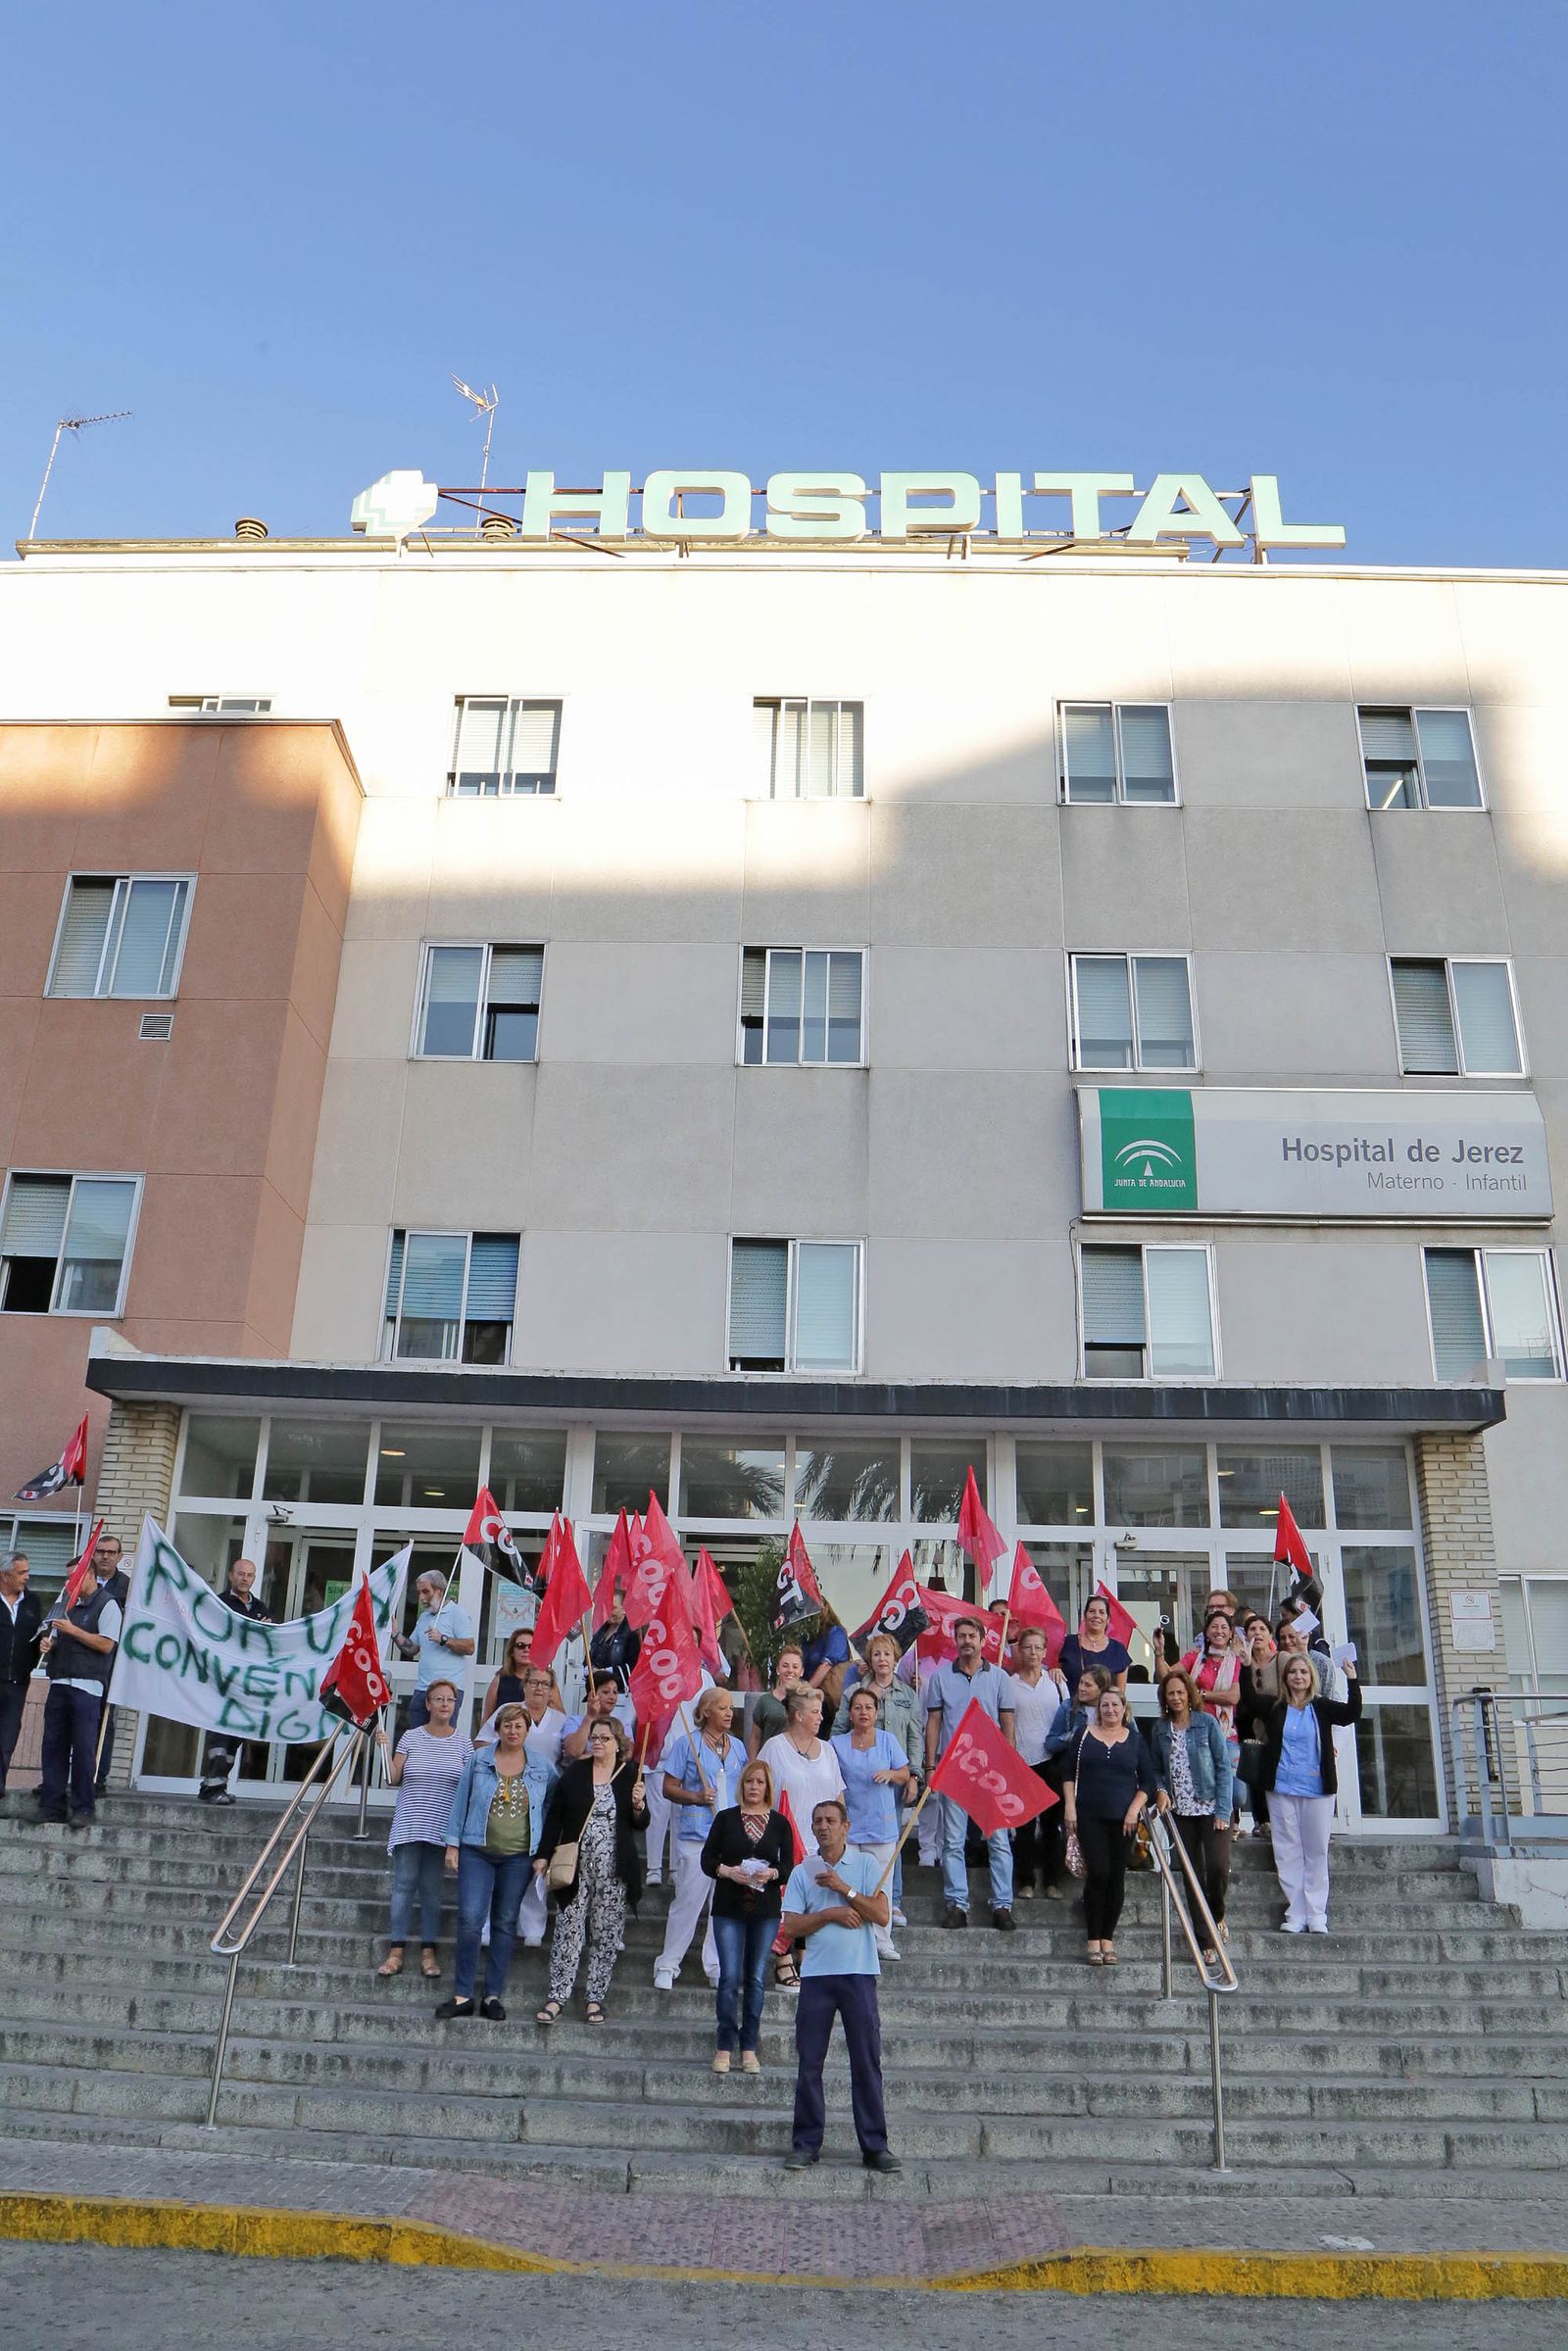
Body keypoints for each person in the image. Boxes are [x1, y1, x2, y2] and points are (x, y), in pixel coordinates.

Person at [780, 1797, 900, 2174]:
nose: (823, 1826)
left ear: (846, 1826)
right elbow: (792, 1926)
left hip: (859, 1974)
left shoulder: (865, 1865)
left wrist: (843, 1889)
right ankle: (806, 2143)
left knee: (866, 2062)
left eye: (831, 1820)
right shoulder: (803, 1871)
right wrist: (831, 1912)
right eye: (817, 1820)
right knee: (809, 2063)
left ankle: (875, 2146)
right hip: (816, 1976)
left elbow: (880, 1915)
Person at [535, 1717, 649, 2025]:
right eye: (594, 1738)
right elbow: (556, 1817)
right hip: (575, 1869)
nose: (597, 1743)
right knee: (568, 1931)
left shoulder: (629, 1775)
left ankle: (594, 1997)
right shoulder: (575, 1774)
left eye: (604, 1738)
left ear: (618, 1743)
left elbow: (640, 1823)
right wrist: (544, 1855)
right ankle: (558, 1995)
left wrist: (639, 1805)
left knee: (606, 1934)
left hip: (614, 1870)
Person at [437, 1701, 531, 2019]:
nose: (512, 1731)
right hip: (476, 1851)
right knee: (470, 1921)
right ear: (498, 1729)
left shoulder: (541, 1768)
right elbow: (460, 1802)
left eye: (519, 1726)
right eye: (507, 1725)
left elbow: (550, 1810)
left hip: (518, 1856)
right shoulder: (478, 1760)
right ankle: (463, 1995)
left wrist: (544, 1853)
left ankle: (492, 1995)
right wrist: (453, 1845)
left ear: (527, 1731)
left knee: (505, 1923)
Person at [701, 1756, 795, 2073]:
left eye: (760, 1782)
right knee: (729, 1977)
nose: (754, 1787)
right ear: (741, 1785)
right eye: (749, 1781)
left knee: (755, 1977)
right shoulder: (726, 1819)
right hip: (728, 1905)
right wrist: (728, 1871)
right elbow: (707, 1860)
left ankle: (749, 2045)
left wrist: (771, 1875)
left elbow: (788, 1867)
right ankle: (724, 2043)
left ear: (768, 1786)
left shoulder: (780, 1823)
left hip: (765, 1909)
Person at [923, 1614, 1016, 1931]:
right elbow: (933, 1723)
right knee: (952, 1841)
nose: (966, 1641)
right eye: (961, 1635)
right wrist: (930, 1765)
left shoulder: (1000, 1677)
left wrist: (1010, 1765)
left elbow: (1008, 1724)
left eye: (971, 1636)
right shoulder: (940, 1677)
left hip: (991, 1770)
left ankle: (1002, 1905)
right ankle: (957, 1905)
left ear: (982, 1639)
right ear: (956, 1639)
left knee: (999, 1840)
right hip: (954, 1767)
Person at [1259, 1651, 1362, 1935]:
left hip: (1317, 1788)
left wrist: (1351, 1678)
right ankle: (1296, 1912)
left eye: (1303, 1672)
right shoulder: (1277, 1708)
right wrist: (1246, 1665)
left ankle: (1317, 1913)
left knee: (1315, 1850)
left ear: (1311, 1677)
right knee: (1287, 1850)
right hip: (1282, 1787)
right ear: (1286, 1677)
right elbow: (1248, 1701)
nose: (1298, 1677)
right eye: (1293, 1672)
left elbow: (1352, 1713)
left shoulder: (1322, 1706)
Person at [379, 1676, 471, 1980]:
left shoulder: (463, 1742)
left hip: (441, 1826)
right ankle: (396, 1951)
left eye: (450, 1699)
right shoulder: (410, 1737)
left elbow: (470, 1786)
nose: (445, 1704)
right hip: (410, 1821)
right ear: (428, 1704)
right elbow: (393, 1777)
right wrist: (385, 1747)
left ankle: (429, 1952)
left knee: (432, 1891)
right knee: (404, 1884)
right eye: (439, 1699)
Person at [655, 1688, 746, 1990]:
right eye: (722, 1708)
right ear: (706, 1711)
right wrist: (694, 1796)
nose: (730, 1713)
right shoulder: (687, 1745)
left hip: (729, 1839)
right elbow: (669, 1787)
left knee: (722, 1906)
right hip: (696, 1837)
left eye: (731, 1707)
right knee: (687, 1903)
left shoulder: (739, 1748)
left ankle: (716, 1965)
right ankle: (668, 1963)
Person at [1059, 1686, 1155, 1965]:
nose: (1110, 1710)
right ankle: (1093, 1937)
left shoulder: (1136, 1740)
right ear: (1098, 1709)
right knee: (1098, 1872)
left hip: (1123, 1819)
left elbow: (1148, 1781)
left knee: (1116, 1877)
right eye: (1105, 1705)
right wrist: (1069, 1807)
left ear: (1124, 1708)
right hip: (1089, 1815)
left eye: (1115, 1705)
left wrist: (1134, 1810)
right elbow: (1067, 1773)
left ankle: (1107, 1938)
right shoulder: (1084, 1735)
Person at [759, 1685, 846, 1988]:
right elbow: (760, 1791)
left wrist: (840, 1836)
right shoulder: (774, 1747)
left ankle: (806, 1958)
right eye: (814, 1712)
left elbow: (837, 1796)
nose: (820, 1717)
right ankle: (782, 1961)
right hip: (785, 1840)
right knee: (789, 1903)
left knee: (817, 1904)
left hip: (819, 1843)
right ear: (797, 1715)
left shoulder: (828, 1750)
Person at [1150, 1669, 1235, 1960]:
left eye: (1180, 1692)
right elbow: (1156, 1769)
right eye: (1170, 1693)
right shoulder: (1160, 1729)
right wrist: (1160, 1789)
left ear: (1190, 1695)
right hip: (1180, 1812)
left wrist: (1224, 1809)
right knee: (1191, 1875)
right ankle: (1206, 1940)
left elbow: (1224, 1768)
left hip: (1212, 1808)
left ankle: (1217, 1915)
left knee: (1218, 1868)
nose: (1175, 1698)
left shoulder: (1206, 1723)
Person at [34, 1548, 122, 1829]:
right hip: (60, 1682)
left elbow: (106, 1644)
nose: (68, 1584)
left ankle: (83, 1806)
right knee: (53, 1747)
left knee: (83, 1749)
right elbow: (57, 1637)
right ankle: (52, 1805)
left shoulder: (107, 1605)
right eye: (67, 1578)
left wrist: (72, 1630)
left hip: (88, 1686)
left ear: (89, 1576)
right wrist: (50, 1644)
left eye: (73, 1578)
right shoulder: (67, 1605)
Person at [829, 1686, 911, 1957]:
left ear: (876, 1713)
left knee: (880, 1886)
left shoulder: (888, 1740)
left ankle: (881, 1941)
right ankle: (849, 1940)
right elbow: (829, 1778)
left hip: (881, 1825)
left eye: (869, 1707)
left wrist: (891, 1773)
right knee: (848, 1883)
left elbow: (905, 1773)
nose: (863, 1712)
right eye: (858, 1707)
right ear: (849, 1713)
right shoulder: (837, 1744)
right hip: (849, 1827)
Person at [847, 1632, 921, 1924]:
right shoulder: (855, 1691)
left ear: (896, 1658)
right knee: (856, 1841)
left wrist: (913, 1775)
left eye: (887, 1654)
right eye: (876, 1654)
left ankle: (893, 1901)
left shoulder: (908, 1694)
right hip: (859, 1780)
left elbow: (914, 1737)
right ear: (869, 1659)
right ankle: (860, 1897)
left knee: (892, 1842)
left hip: (895, 1778)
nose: (882, 1660)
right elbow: (841, 1729)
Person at [198, 1555, 274, 1803]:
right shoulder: (218, 1604)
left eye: (249, 1575)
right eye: (240, 1573)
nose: (244, 1578)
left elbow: (269, 1642)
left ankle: (216, 1786)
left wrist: (267, 1629)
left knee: (235, 1737)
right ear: (231, 1575)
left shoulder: (261, 1607)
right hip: (222, 1680)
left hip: (247, 1683)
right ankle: (212, 1788)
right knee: (220, 1736)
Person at [1004, 1625, 1066, 1900]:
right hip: (1021, 1761)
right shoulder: (1008, 1683)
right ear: (1019, 1650)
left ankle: (1052, 1881)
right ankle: (1026, 1881)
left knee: (1053, 1825)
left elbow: (1068, 1717)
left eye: (1038, 1647)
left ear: (1045, 1651)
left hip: (1052, 1761)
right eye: (1027, 1647)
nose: (1032, 1652)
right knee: (1025, 1827)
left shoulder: (1056, 1682)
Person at [395, 1571, 476, 1732]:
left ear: (440, 1590)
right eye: (419, 1592)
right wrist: (395, 1633)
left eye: (426, 1592)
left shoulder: (457, 1613)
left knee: (442, 1739)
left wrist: (443, 1639)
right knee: (417, 1739)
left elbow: (470, 1647)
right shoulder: (424, 1617)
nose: (421, 1597)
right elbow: (412, 1648)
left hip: (447, 1692)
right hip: (422, 1690)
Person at [0, 1553, 43, 1807]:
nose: (26, 1577)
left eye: (27, 1571)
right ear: (5, 1576)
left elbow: (36, 1636)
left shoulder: (32, 1602)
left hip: (17, 1681)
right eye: (21, 1573)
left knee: (6, 1738)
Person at [89, 1531, 127, 1799]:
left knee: (105, 1722)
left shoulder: (128, 1587)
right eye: (101, 1551)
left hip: (111, 1663)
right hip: (80, 1661)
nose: (105, 1556)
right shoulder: (83, 1581)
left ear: (119, 1557)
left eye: (110, 1552)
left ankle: (98, 1777)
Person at [1180, 1608, 1244, 1746]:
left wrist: (1199, 1693)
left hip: (1227, 1735)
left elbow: (1233, 1697)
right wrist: (1160, 1654)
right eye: (1214, 1627)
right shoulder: (1195, 1657)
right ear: (1207, 1633)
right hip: (1197, 1730)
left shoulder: (1236, 1661)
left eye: (1224, 1627)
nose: (1219, 1631)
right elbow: (1167, 1676)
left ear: (1231, 1633)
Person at [1057, 1593, 1130, 1693]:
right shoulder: (1067, 1643)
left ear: (1108, 1619)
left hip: (1103, 1708)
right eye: (1092, 1611)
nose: (1096, 1615)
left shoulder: (1118, 1650)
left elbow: (1120, 1694)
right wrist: (1053, 1670)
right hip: (1071, 1707)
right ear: (1085, 1615)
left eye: (1102, 1612)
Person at [747, 1642, 805, 1759]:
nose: (790, 1670)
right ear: (778, 1669)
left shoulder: (807, 1701)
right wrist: (753, 1764)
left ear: (801, 1671)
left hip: (798, 1762)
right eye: (785, 1666)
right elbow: (755, 1737)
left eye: (795, 1667)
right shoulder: (765, 1702)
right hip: (769, 1762)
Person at [561, 1669, 636, 1758]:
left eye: (615, 1692)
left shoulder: (623, 1725)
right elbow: (573, 1751)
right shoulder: (575, 1722)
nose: (612, 1697)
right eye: (606, 1692)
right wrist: (590, 1717)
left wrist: (584, 1757)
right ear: (591, 1695)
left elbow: (627, 1756)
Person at [801, 1613, 852, 1735]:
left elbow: (826, 1665)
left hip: (827, 1698)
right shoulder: (807, 1638)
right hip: (809, 1698)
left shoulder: (835, 1632)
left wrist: (804, 1691)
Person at [588, 1583, 641, 1689]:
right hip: (597, 1690)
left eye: (613, 1607)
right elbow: (588, 1660)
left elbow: (635, 1666)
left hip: (619, 1693)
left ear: (625, 1609)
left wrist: (606, 1672)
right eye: (606, 1607)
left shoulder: (633, 1634)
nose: (608, 1612)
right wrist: (590, 1670)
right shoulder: (600, 1632)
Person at [479, 1627, 534, 1728]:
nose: (526, 1650)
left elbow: (558, 1716)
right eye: (520, 1646)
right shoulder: (499, 1680)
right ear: (512, 1651)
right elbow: (487, 1719)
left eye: (531, 1646)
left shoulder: (544, 1682)